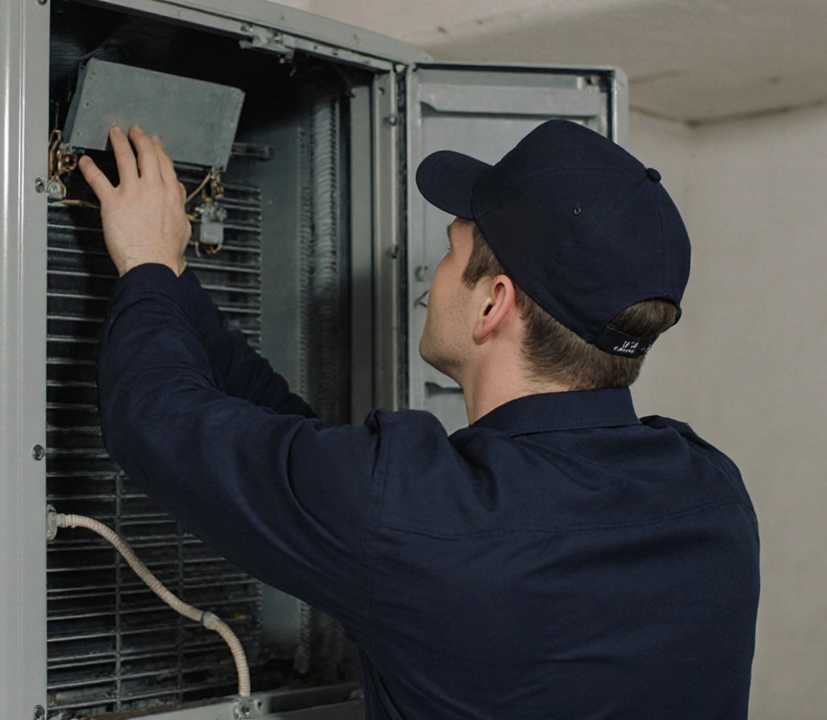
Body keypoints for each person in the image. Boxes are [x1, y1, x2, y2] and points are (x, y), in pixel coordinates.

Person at [77, 121, 760, 719]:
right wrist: (171, 276)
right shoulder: (713, 495)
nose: (432, 278)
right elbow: (299, 460)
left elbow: (154, 421)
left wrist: (144, 265)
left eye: (451, 251)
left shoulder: (411, 510)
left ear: (493, 304)